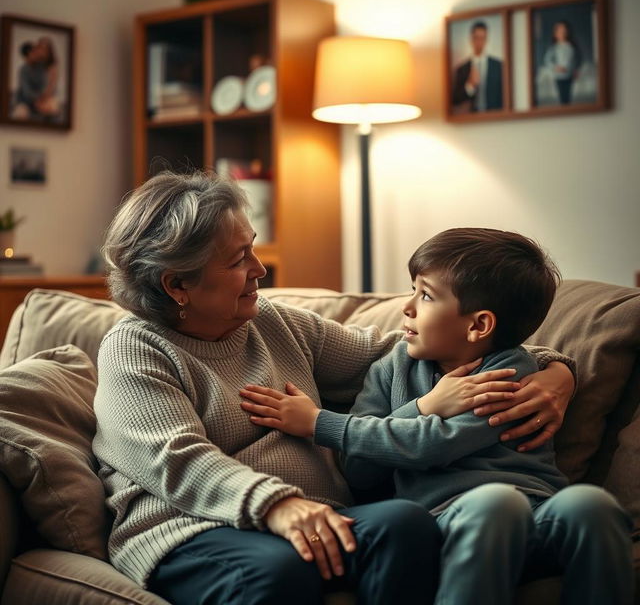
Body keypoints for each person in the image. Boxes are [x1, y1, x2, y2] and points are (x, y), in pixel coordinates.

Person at [94, 173, 576, 605]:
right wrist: (278, 505)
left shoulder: (275, 323)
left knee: (406, 523)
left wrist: (553, 371)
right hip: (191, 528)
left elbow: (412, 347)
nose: (261, 270)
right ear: (178, 284)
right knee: (278, 573)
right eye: (239, 260)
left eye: (254, 248)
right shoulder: (135, 348)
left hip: (316, 518)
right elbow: (178, 461)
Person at [241, 228, 633, 605]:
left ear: (479, 325)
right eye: (413, 290)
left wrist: (318, 423)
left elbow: (432, 444)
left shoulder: (509, 374)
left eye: (425, 296)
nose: (406, 306)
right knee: (496, 504)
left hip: (535, 515)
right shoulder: (390, 369)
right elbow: (359, 471)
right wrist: (421, 407)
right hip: (447, 521)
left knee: (591, 505)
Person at [452, 21, 503, 112]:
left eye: (482, 38)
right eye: (476, 38)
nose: (479, 42)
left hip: (495, 118)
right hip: (472, 120)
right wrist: (470, 85)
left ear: (486, 39)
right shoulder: (462, 69)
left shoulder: (498, 66)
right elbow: (455, 100)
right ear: (471, 39)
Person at [543, 20, 580, 105]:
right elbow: (547, 60)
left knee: (568, 94)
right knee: (562, 95)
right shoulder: (554, 47)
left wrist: (576, 69)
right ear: (555, 34)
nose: (562, 34)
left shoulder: (571, 47)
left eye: (564, 31)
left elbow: (577, 60)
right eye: (559, 32)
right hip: (559, 75)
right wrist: (556, 67)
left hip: (569, 74)